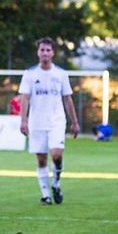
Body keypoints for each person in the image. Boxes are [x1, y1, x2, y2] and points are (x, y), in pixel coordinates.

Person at [18, 38, 80, 205]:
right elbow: (25, 98)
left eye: (48, 50)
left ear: (53, 53)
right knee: (41, 159)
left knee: (57, 154)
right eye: (42, 50)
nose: (45, 53)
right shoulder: (30, 74)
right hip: (36, 122)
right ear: (38, 52)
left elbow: (67, 99)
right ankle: (46, 195)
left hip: (56, 121)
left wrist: (74, 122)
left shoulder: (60, 74)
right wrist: (23, 120)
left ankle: (56, 183)